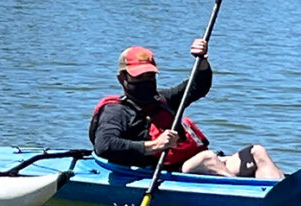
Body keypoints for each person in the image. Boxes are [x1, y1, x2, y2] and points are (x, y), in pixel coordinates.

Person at [89, 39, 283, 179]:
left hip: (199, 163)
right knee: (206, 158)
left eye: (150, 76)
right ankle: (245, 195)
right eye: (139, 77)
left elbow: (198, 86)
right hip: (168, 171)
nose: (146, 82)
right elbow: (105, 145)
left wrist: (202, 61)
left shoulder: (162, 99)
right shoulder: (116, 111)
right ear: (122, 79)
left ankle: (286, 195)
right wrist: (154, 146)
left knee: (257, 152)